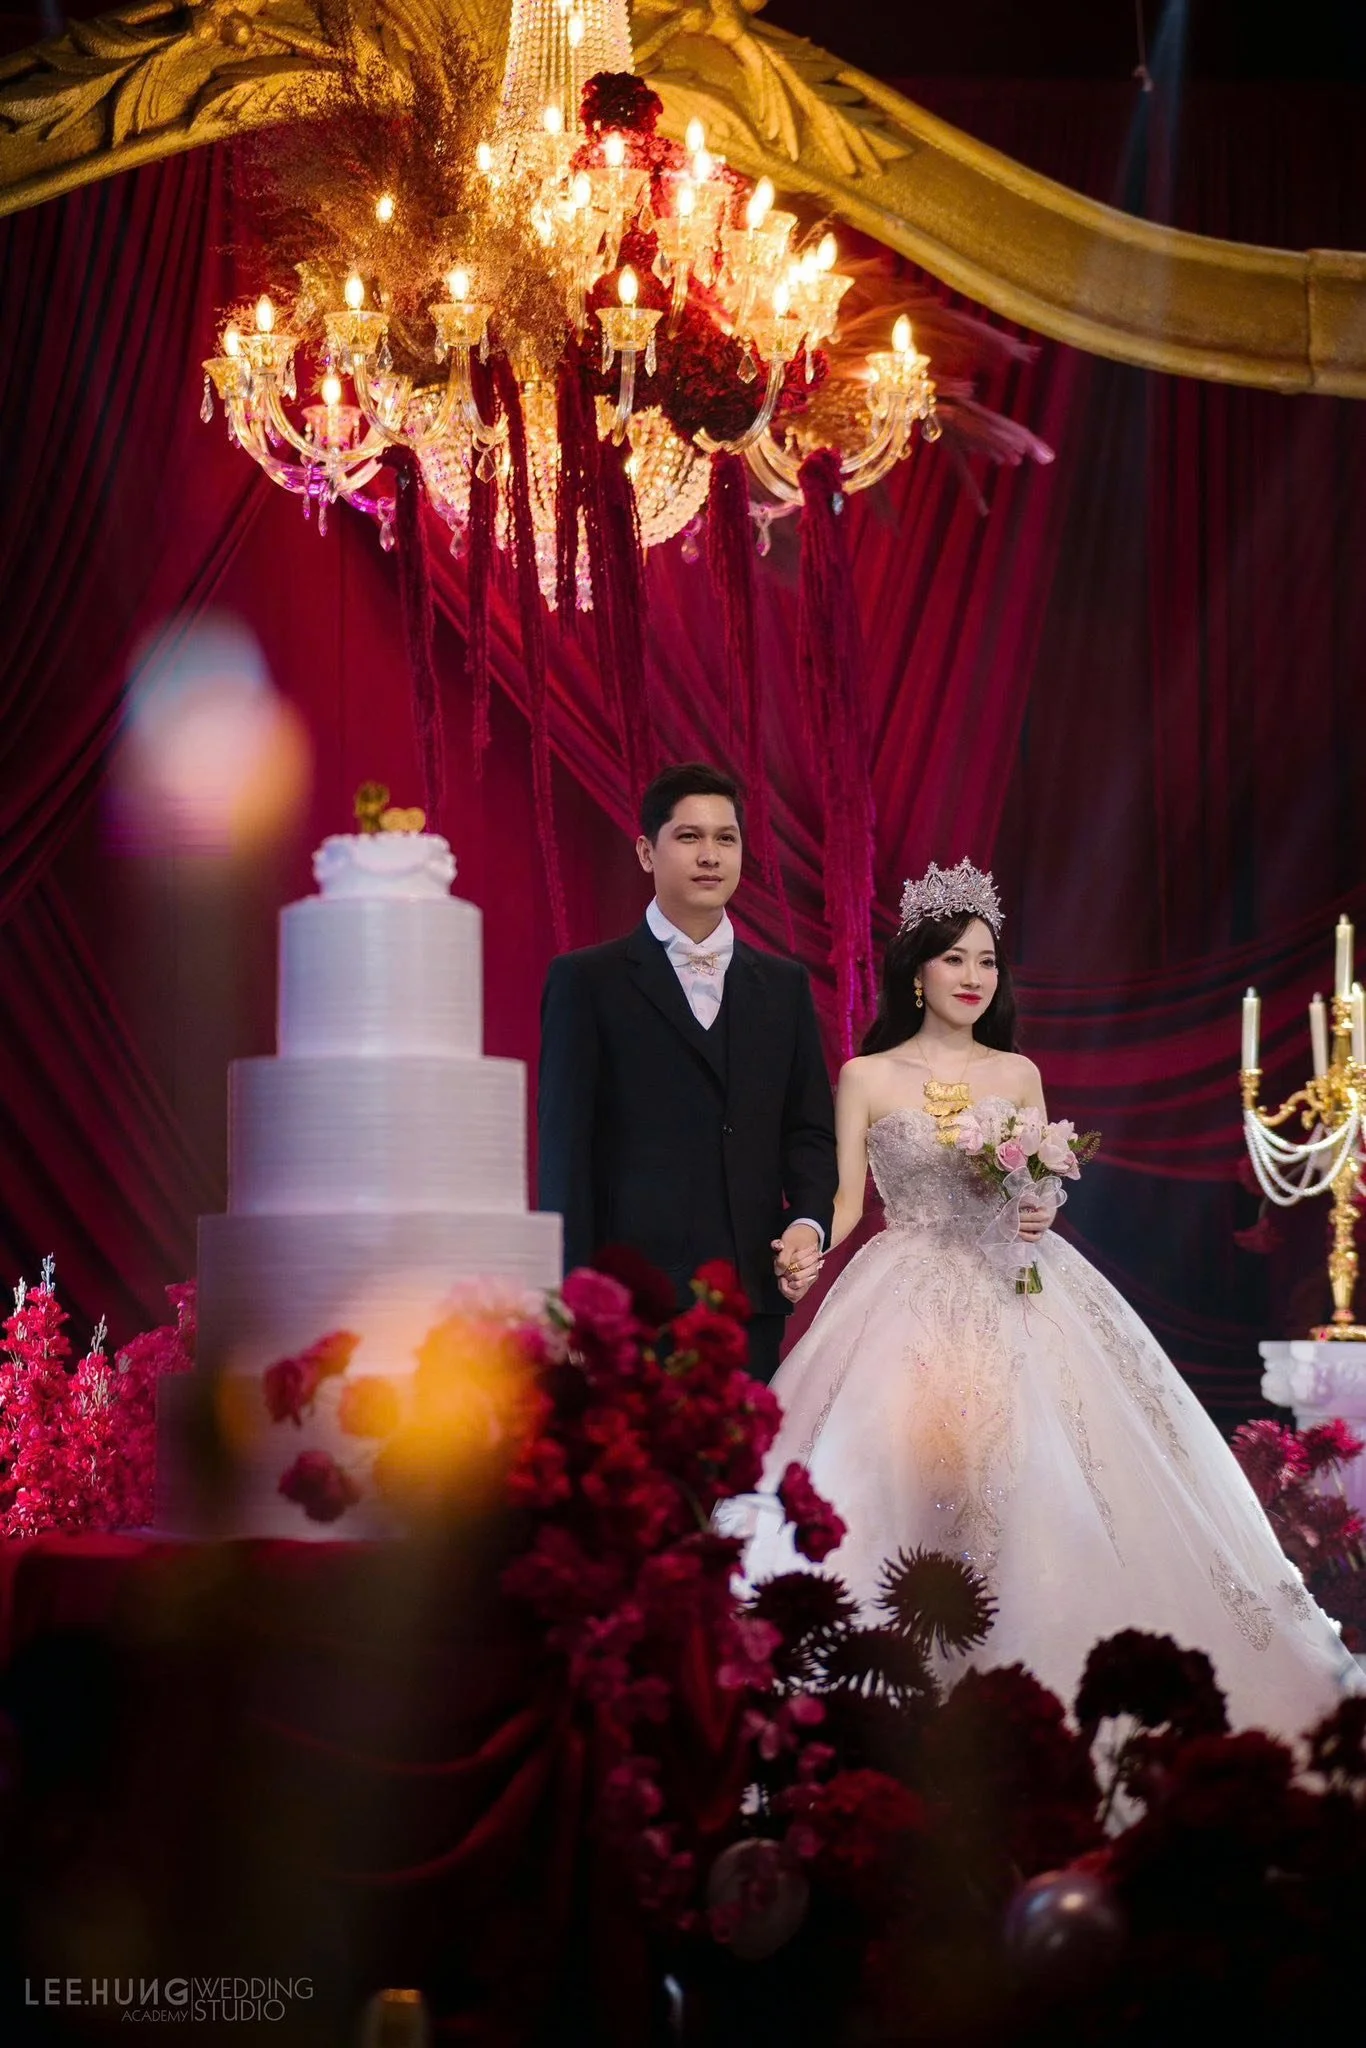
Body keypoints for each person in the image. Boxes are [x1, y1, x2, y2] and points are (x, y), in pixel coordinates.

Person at [742, 858, 1361, 1734]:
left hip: (1021, 1290)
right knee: (892, 1469)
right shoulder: (867, 1076)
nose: (971, 977)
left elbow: (1038, 1184)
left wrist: (1036, 1203)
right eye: (954, 959)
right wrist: (807, 1239)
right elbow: (848, 1204)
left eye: (986, 961)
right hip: (906, 1292)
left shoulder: (1019, 1072)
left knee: (1050, 1472)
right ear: (917, 970)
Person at [537, 763, 836, 1383]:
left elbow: (808, 1131)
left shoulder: (784, 987)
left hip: (750, 1294)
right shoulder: (587, 981)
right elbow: (566, 1152)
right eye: (689, 837)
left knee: (740, 1476)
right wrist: (572, 1299)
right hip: (632, 1303)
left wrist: (806, 1222)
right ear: (647, 851)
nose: (711, 856)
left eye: (726, 839)